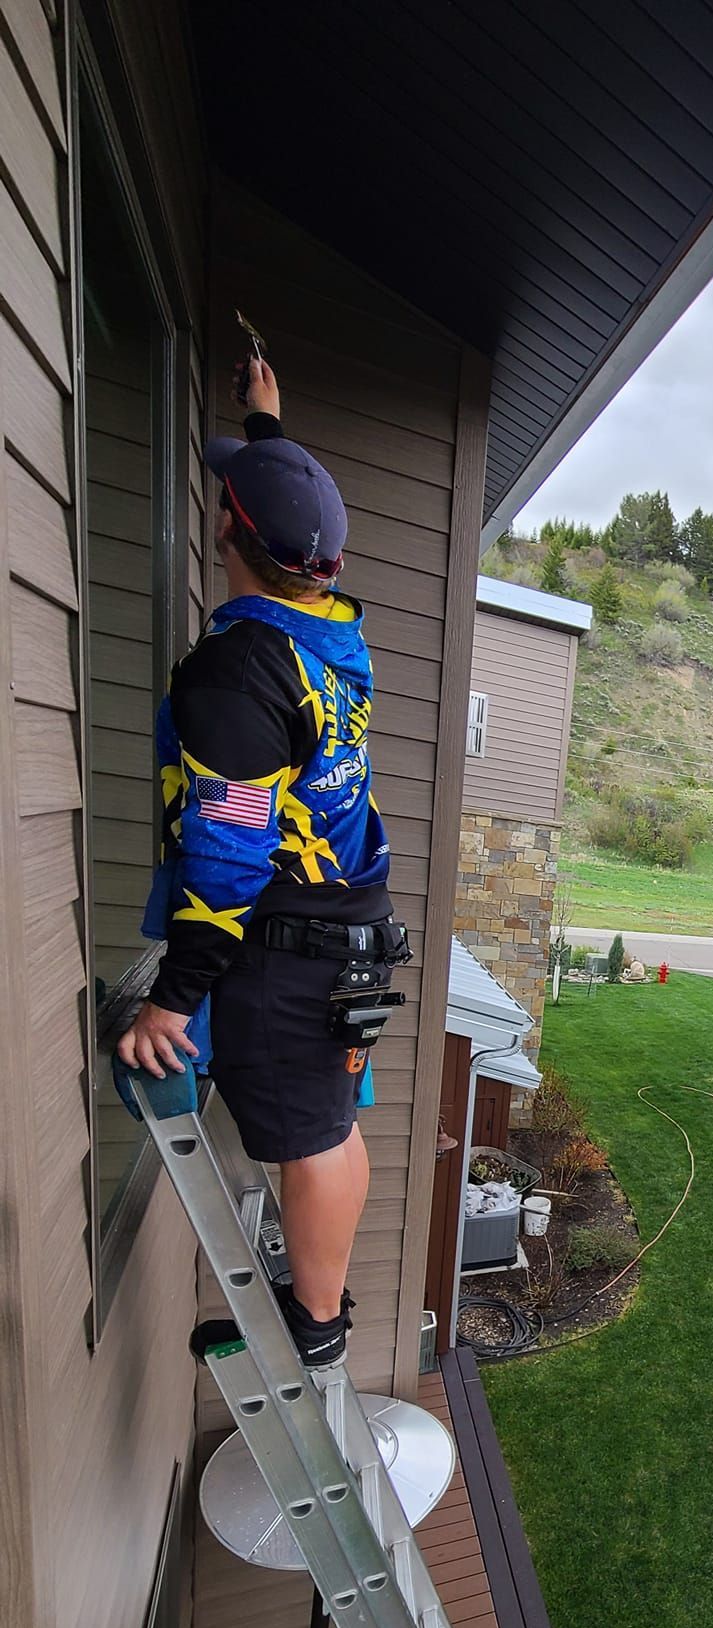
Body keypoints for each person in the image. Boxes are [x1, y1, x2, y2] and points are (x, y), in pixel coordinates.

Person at [117, 355, 408, 1368]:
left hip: (286, 940)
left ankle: (313, 1324)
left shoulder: (238, 678)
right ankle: (319, 1286)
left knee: (313, 1136)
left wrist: (172, 998)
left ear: (226, 531)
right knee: (332, 1121)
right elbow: (293, 509)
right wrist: (265, 420)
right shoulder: (328, 626)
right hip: (345, 910)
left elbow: (227, 859)